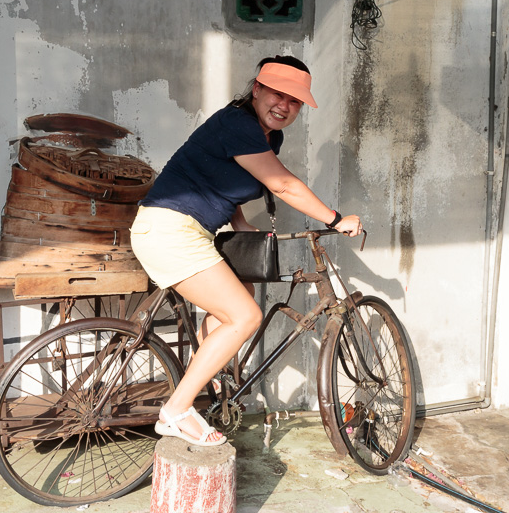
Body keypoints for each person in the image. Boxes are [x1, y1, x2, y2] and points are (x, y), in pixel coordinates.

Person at [130, 55, 363, 446]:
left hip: (185, 230)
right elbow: (282, 184)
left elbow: (225, 177)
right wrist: (335, 218)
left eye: (294, 101)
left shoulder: (266, 135)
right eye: (277, 94)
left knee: (243, 296)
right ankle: (176, 412)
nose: (284, 106)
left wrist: (238, 222)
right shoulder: (238, 123)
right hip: (171, 230)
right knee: (245, 317)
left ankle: (205, 375)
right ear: (256, 89)